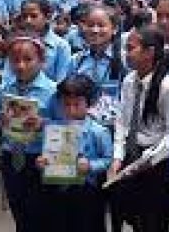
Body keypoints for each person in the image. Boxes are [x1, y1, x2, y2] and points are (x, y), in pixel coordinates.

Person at [109, 26, 169, 231]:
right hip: (131, 157)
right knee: (133, 217)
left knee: (153, 221)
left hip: (155, 163)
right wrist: (118, 157)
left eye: (131, 48)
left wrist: (148, 159)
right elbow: (122, 121)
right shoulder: (129, 80)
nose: (126, 53)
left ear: (149, 52)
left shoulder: (168, 87)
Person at [0, 32, 58, 232]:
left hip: (39, 159)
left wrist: (43, 124)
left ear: (41, 61)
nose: (21, 66)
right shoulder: (4, 90)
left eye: (28, 59)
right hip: (12, 157)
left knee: (41, 212)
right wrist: (0, 122)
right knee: (18, 209)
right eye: (15, 60)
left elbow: (65, 127)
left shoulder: (53, 91)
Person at [37, 75, 112, 232]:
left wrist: (90, 165)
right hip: (58, 189)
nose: (71, 109)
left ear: (89, 103)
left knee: (88, 225)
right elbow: (48, 155)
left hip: (87, 191)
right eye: (66, 104)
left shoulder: (98, 131)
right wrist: (42, 162)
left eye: (77, 104)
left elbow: (108, 159)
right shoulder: (54, 128)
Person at [69, 4, 124, 128]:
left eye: (101, 25)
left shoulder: (124, 61)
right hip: (81, 127)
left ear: (114, 29)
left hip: (114, 128)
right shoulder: (77, 60)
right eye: (90, 25)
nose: (95, 30)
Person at [17, 0, 72, 83]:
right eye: (24, 16)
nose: (28, 21)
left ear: (48, 17)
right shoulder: (17, 44)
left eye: (34, 16)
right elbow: (8, 79)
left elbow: (61, 81)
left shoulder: (61, 46)